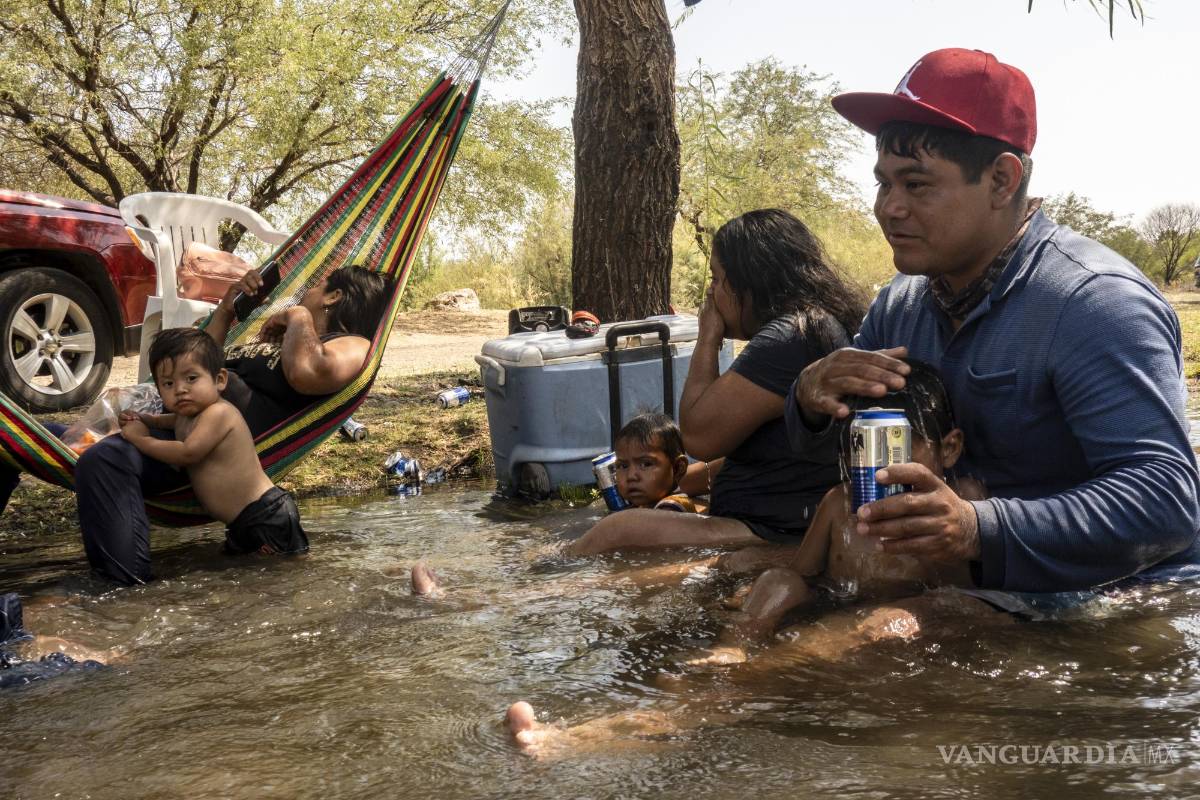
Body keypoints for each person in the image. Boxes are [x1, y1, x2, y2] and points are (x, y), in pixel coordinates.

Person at [787, 48, 1200, 596]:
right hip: (967, 596)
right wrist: (810, 400)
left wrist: (977, 527)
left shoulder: (1095, 303)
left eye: (916, 184)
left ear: (1003, 180)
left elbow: (1164, 501)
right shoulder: (899, 306)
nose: (889, 207)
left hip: (1108, 608)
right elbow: (844, 455)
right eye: (883, 183)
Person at [0, 264, 391, 585]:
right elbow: (189, 360)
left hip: (194, 453)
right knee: (14, 435)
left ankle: (121, 598)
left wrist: (299, 317)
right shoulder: (284, 339)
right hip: (164, 426)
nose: (304, 291)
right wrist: (226, 310)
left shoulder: (350, 344)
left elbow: (308, 373)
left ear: (334, 296)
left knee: (104, 461)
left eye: (316, 285)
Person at [568, 209, 866, 555]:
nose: (711, 293)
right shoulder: (814, 325)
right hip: (786, 521)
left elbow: (697, 434)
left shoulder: (790, 336)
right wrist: (671, 483)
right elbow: (767, 455)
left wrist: (708, 336)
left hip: (774, 532)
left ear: (746, 283)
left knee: (616, 531)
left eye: (716, 279)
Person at [691, 359, 988, 665]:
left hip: (913, 617)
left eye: (894, 450)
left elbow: (970, 588)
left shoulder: (962, 500)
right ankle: (732, 647)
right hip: (839, 605)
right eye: (864, 449)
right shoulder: (839, 504)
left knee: (914, 614)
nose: (881, 468)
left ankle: (771, 666)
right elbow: (800, 575)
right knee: (778, 580)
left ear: (949, 449)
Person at [120, 328, 308, 557]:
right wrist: (142, 418)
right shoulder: (186, 416)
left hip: (265, 516)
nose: (180, 389)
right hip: (241, 522)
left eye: (191, 378)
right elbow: (165, 421)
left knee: (282, 576)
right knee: (249, 576)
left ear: (219, 380)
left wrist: (140, 439)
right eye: (168, 384)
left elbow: (187, 453)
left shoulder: (218, 413)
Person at [612, 414, 708, 513]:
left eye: (646, 464)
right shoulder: (648, 505)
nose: (631, 476)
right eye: (623, 466)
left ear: (678, 468)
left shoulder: (671, 508)